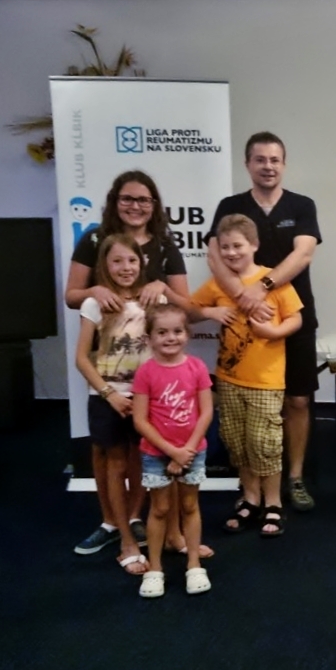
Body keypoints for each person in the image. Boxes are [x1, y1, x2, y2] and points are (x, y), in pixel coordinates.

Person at [66, 170, 196, 557]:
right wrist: (94, 289)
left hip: (147, 377)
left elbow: (184, 306)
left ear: (154, 205)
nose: (135, 206)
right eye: (127, 198)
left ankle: (136, 517)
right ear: (115, 201)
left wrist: (163, 286)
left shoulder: (165, 245)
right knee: (107, 453)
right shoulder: (94, 239)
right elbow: (72, 295)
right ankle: (111, 523)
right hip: (105, 371)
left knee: (144, 452)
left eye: (143, 199)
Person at [208, 132, 321, 512]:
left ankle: (295, 477)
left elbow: (303, 254)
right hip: (244, 322)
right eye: (260, 159)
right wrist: (245, 298)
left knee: (298, 399)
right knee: (246, 402)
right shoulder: (230, 206)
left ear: (283, 164)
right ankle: (253, 486)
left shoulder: (302, 205)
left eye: (274, 159)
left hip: (294, 315)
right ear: (248, 164)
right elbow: (215, 257)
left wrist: (263, 287)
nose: (268, 166)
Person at [191, 214, 303, 537]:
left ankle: (273, 502)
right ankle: (250, 497)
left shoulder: (272, 280)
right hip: (229, 380)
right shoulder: (217, 285)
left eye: (237, 246)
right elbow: (189, 311)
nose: (231, 253)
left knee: (264, 443)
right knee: (237, 443)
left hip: (265, 381)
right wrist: (210, 311)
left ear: (254, 245)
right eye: (225, 247)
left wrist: (274, 331)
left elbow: (296, 318)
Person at [73, 234, 154, 575]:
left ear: (141, 262)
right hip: (108, 397)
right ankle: (123, 537)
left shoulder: (153, 298)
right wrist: (110, 394)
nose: (125, 267)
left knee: (142, 460)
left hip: (146, 398)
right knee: (115, 463)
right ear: (104, 265)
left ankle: (134, 519)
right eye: (117, 261)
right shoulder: (94, 304)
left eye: (132, 260)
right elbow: (82, 358)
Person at [132, 303, 214, 598]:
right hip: (156, 454)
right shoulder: (145, 372)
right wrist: (171, 451)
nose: (171, 338)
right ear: (149, 337)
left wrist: (187, 450)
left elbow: (206, 412)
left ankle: (193, 564)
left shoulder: (197, 367)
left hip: (192, 451)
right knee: (160, 509)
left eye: (177, 331)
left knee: (190, 506)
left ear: (187, 334)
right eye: (162, 332)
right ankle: (155, 568)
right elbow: (140, 420)